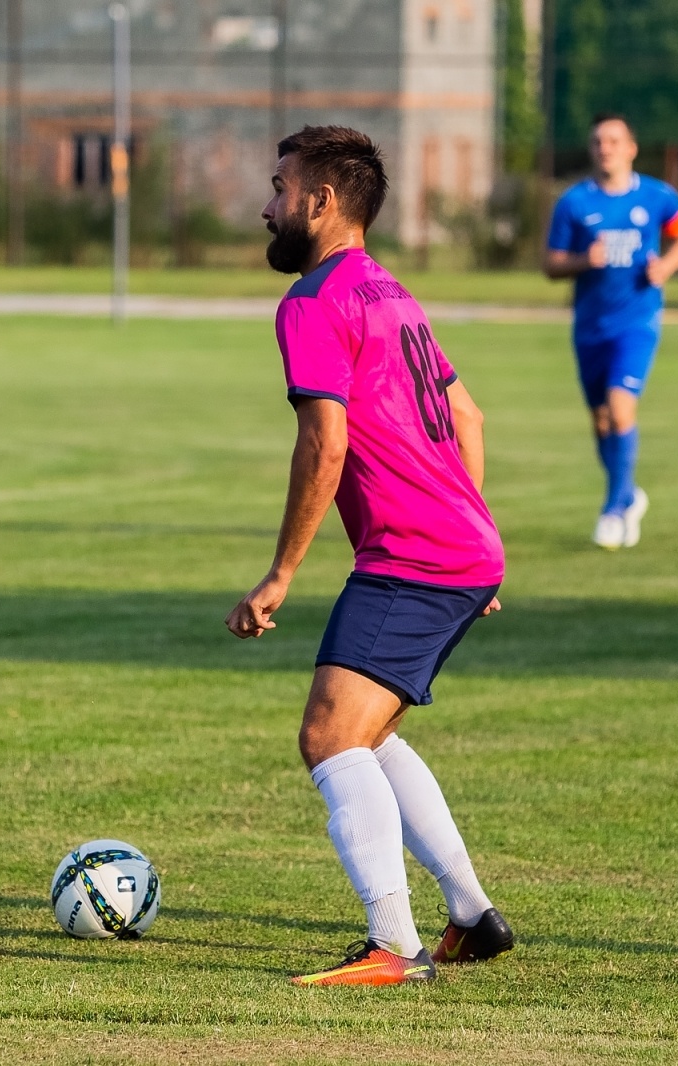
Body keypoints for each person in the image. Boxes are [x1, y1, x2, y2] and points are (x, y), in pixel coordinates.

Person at [226, 125, 513, 986]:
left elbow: (325, 445)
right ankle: (472, 917)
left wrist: (281, 573)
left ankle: (396, 944)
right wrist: (477, 536)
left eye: (279, 187)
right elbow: (471, 417)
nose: (267, 206)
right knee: (369, 732)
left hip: (416, 552)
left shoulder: (314, 301)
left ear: (321, 201)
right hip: (459, 546)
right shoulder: (388, 289)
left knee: (327, 736)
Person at [543, 114, 678, 549]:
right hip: (590, 327)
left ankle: (613, 509)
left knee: (620, 406)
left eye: (614, 140)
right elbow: (550, 264)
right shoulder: (574, 202)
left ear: (631, 148)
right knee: (601, 422)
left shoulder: (657, 196)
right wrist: (580, 262)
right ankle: (628, 494)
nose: (605, 148)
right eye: (597, 141)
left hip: (638, 322)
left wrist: (666, 265)